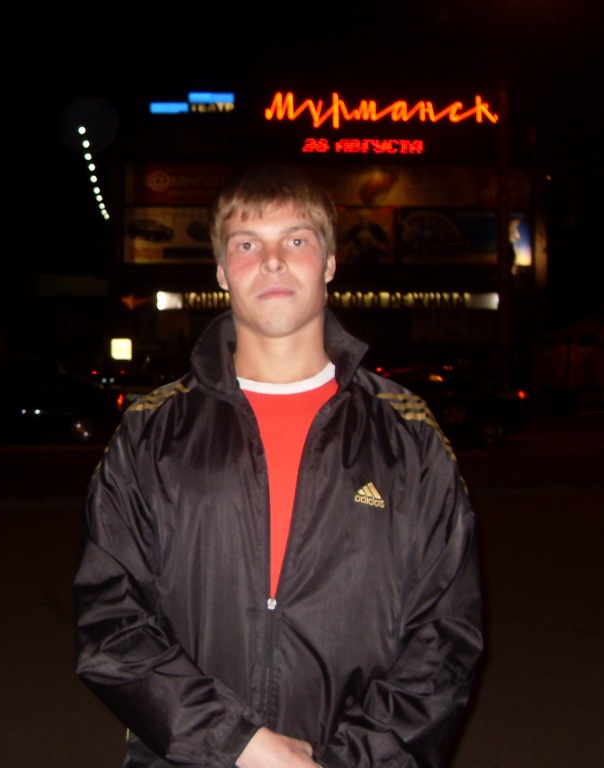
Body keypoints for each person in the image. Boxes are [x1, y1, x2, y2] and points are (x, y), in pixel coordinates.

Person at [74, 165, 483, 768]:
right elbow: (111, 620)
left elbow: (445, 638)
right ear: (221, 271)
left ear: (330, 263)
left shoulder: (408, 435)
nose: (271, 261)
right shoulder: (151, 432)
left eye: (295, 240)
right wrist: (236, 743)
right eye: (247, 244)